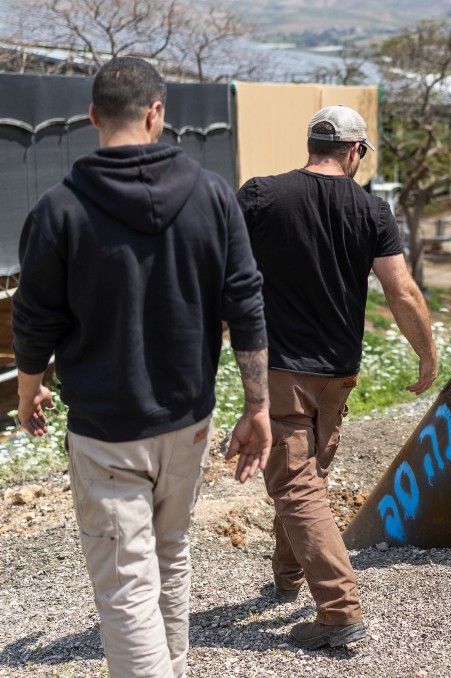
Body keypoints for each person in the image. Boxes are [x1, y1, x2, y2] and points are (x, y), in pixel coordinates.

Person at [11, 56, 271, 677]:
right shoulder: (213, 193)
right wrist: (258, 407)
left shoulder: (60, 209)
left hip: (106, 430)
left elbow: (34, 318)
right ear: (158, 114)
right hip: (189, 421)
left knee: (126, 584)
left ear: (93, 117)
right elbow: (247, 302)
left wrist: (28, 389)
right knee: (171, 554)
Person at [237, 104, 437, 650]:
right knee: (304, 473)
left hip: (280, 367)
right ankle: (287, 573)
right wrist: (426, 353)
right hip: (338, 373)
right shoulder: (372, 210)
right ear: (355, 152)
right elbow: (402, 291)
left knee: (295, 480)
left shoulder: (260, 195)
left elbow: (218, 268)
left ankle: (340, 609)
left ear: (310, 144)